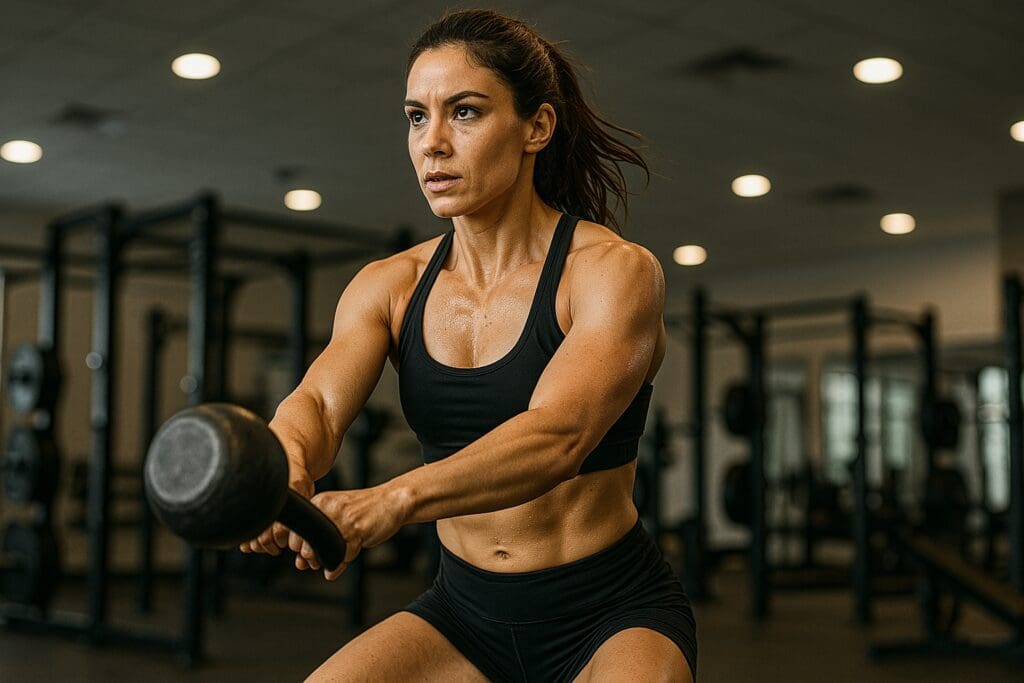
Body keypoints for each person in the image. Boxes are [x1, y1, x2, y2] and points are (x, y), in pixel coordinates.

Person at [240, 8, 697, 682]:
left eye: (465, 112)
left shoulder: (610, 272)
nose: (432, 143)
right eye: (416, 116)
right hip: (465, 612)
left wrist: (390, 500)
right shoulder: (389, 285)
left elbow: (556, 435)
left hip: (608, 611)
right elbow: (316, 400)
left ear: (536, 127)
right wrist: (285, 465)